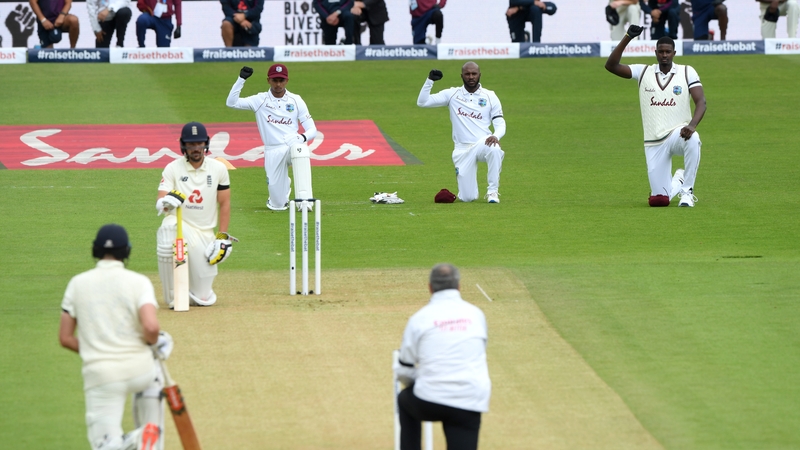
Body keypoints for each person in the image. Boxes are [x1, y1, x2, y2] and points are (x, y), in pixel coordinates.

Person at [59, 224, 174, 450]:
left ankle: (133, 439)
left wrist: (96, 349)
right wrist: (154, 343)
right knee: (154, 372)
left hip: (102, 375)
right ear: (126, 252)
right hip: (141, 370)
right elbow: (151, 327)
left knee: (104, 444)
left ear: (95, 250)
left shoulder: (77, 283)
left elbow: (65, 338)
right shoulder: (139, 282)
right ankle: (149, 435)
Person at [605, 26, 706, 207]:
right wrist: (628, 37)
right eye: (661, 52)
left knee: (694, 139)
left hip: (678, 134)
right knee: (659, 201)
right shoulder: (643, 71)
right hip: (654, 142)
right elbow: (611, 66)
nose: (664, 55)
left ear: (674, 53)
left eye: (668, 52)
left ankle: (687, 192)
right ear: (655, 53)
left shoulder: (686, 71)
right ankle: (679, 179)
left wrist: (692, 125)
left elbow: (701, 102)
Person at [395, 263, 491, 450]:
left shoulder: (419, 319)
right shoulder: (476, 314)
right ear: (459, 286)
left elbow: (404, 369)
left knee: (404, 400)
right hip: (470, 397)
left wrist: (420, 379)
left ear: (430, 287)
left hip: (429, 398)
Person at [156, 122, 235, 307]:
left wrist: (221, 236)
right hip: (181, 226)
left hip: (205, 233)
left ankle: (192, 292)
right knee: (168, 226)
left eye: (199, 144)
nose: (196, 148)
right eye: (191, 144)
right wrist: (165, 203)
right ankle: (172, 297)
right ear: (183, 145)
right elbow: (161, 203)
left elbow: (224, 203)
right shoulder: (173, 168)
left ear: (206, 144)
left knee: (203, 297)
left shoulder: (218, 169)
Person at [226, 64, 318, 211]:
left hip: (291, 146)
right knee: (278, 205)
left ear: (287, 81)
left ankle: (305, 201)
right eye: (275, 80)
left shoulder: (296, 100)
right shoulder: (260, 100)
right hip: (272, 150)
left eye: (282, 80)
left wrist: (301, 138)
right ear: (268, 80)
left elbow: (312, 129)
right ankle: (281, 189)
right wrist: (241, 79)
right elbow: (231, 102)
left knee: (300, 150)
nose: (278, 84)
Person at [417, 62, 506, 204]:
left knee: (495, 149)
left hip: (483, 143)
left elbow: (500, 122)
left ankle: (492, 192)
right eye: (467, 74)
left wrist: (496, 135)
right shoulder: (452, 94)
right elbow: (422, 102)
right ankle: (467, 190)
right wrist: (429, 81)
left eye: (474, 74)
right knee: (467, 198)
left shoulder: (490, 96)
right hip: (462, 149)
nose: (471, 77)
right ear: (461, 76)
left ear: (479, 75)